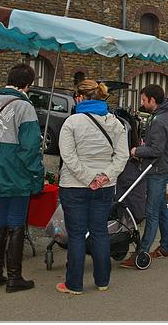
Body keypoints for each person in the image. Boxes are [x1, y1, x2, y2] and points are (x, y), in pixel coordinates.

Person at [0, 64, 44, 293]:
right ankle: (15, 277)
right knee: (16, 222)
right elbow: (30, 147)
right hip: (17, 174)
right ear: (27, 84)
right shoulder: (25, 107)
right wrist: (36, 173)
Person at [56, 80, 129, 294]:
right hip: (105, 186)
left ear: (79, 97)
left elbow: (67, 156)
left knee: (77, 234)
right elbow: (122, 156)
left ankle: (74, 284)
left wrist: (88, 178)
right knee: (99, 232)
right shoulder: (116, 123)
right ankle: (102, 281)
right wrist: (104, 176)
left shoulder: (72, 122)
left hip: (74, 185)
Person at [121, 85, 168, 267]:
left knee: (151, 212)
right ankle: (167, 245)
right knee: (160, 208)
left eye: (144, 100)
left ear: (153, 100)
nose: (142, 104)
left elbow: (156, 149)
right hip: (160, 168)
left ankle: (141, 251)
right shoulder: (164, 115)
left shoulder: (160, 120)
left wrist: (138, 150)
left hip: (157, 170)